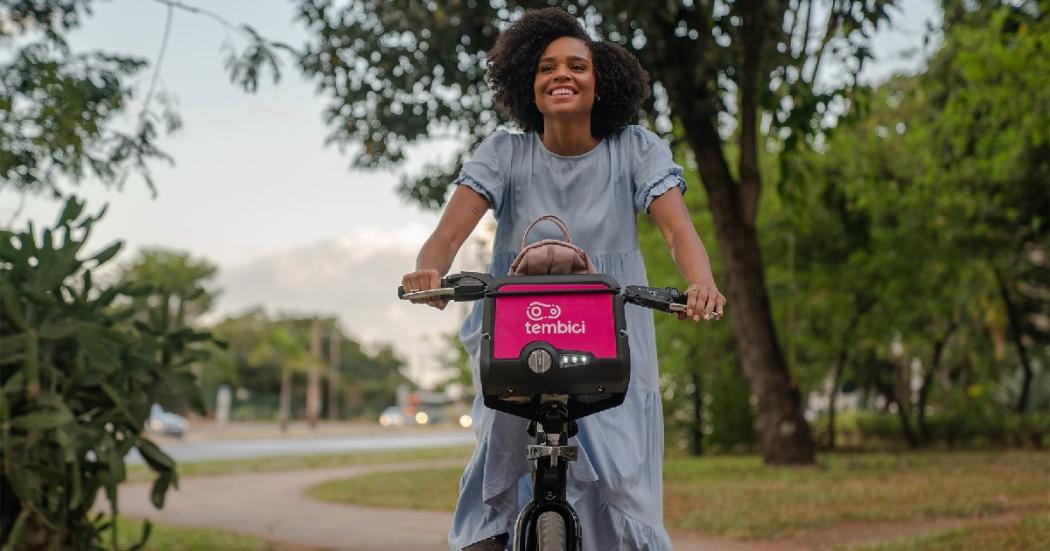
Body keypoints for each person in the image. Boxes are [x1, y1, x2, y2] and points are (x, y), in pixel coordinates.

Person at [400, 7, 725, 550]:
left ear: (601, 85)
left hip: (609, 326)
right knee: (500, 452)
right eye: (547, 67)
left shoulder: (636, 149)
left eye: (577, 65)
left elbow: (676, 230)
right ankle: (491, 535)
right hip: (517, 326)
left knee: (621, 476)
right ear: (529, 83)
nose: (562, 75)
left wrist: (702, 283)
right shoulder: (505, 151)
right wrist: (430, 267)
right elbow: (449, 233)